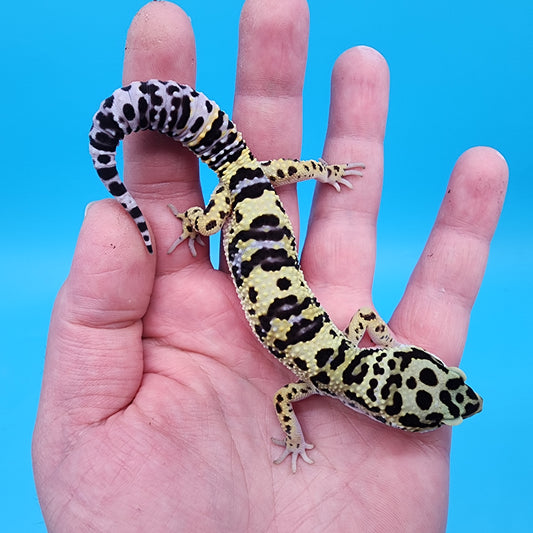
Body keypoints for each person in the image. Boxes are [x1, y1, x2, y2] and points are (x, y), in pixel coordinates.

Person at [32, 0, 508, 531]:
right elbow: (284, 398)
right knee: (223, 202)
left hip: (252, 185)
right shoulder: (316, 382)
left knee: (249, 178)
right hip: (241, 199)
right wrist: (200, 222)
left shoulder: (350, 350)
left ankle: (203, 203)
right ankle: (192, 215)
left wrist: (320, 174)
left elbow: (360, 330)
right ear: (382, 412)